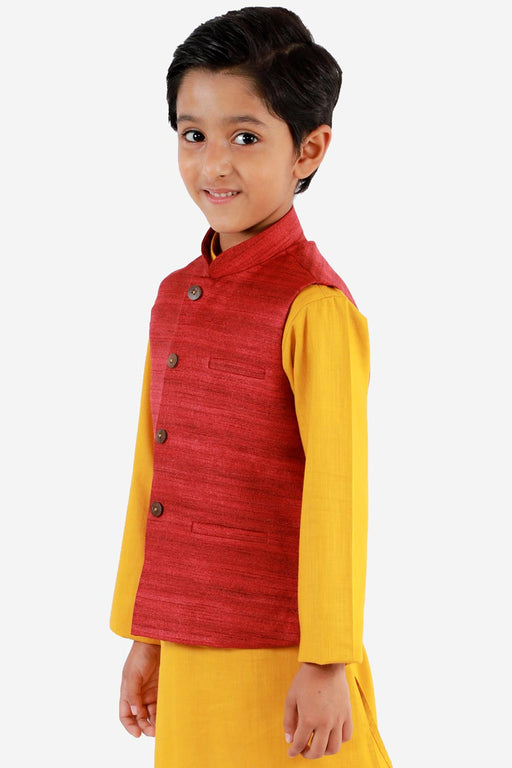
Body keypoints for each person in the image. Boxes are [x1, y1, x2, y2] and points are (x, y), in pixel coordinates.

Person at [110, 7, 393, 766]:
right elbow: (153, 472)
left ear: (309, 149)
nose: (213, 165)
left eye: (244, 137)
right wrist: (147, 633)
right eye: (191, 134)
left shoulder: (314, 307)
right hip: (189, 648)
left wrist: (327, 660)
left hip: (286, 657)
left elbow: (338, 493)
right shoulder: (173, 297)